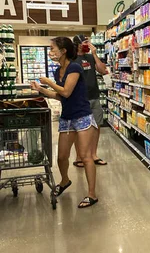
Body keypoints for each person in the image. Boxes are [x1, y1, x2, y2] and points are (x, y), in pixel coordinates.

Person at [31, 37, 99, 208]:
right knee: (62, 156)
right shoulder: (57, 71)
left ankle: (92, 194)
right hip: (67, 117)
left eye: (53, 48)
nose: (50, 51)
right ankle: (65, 180)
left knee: (85, 157)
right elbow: (59, 96)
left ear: (63, 51)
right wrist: (41, 89)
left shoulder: (75, 67)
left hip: (82, 116)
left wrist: (48, 82)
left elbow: (67, 91)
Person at [72, 34, 108, 167]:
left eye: (88, 41)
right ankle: (79, 156)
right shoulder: (72, 59)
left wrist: (94, 53)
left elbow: (103, 70)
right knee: (79, 129)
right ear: (78, 44)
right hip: (80, 98)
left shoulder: (90, 56)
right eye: (85, 42)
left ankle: (93, 155)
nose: (88, 43)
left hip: (94, 96)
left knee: (96, 127)